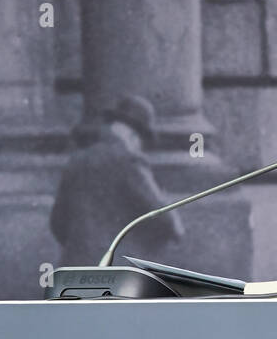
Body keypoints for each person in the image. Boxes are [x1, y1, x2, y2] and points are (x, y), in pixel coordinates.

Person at [50, 95, 184, 266]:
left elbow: (57, 222)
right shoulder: (129, 161)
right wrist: (176, 228)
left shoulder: (77, 160)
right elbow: (159, 213)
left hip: (75, 267)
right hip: (118, 269)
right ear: (133, 135)